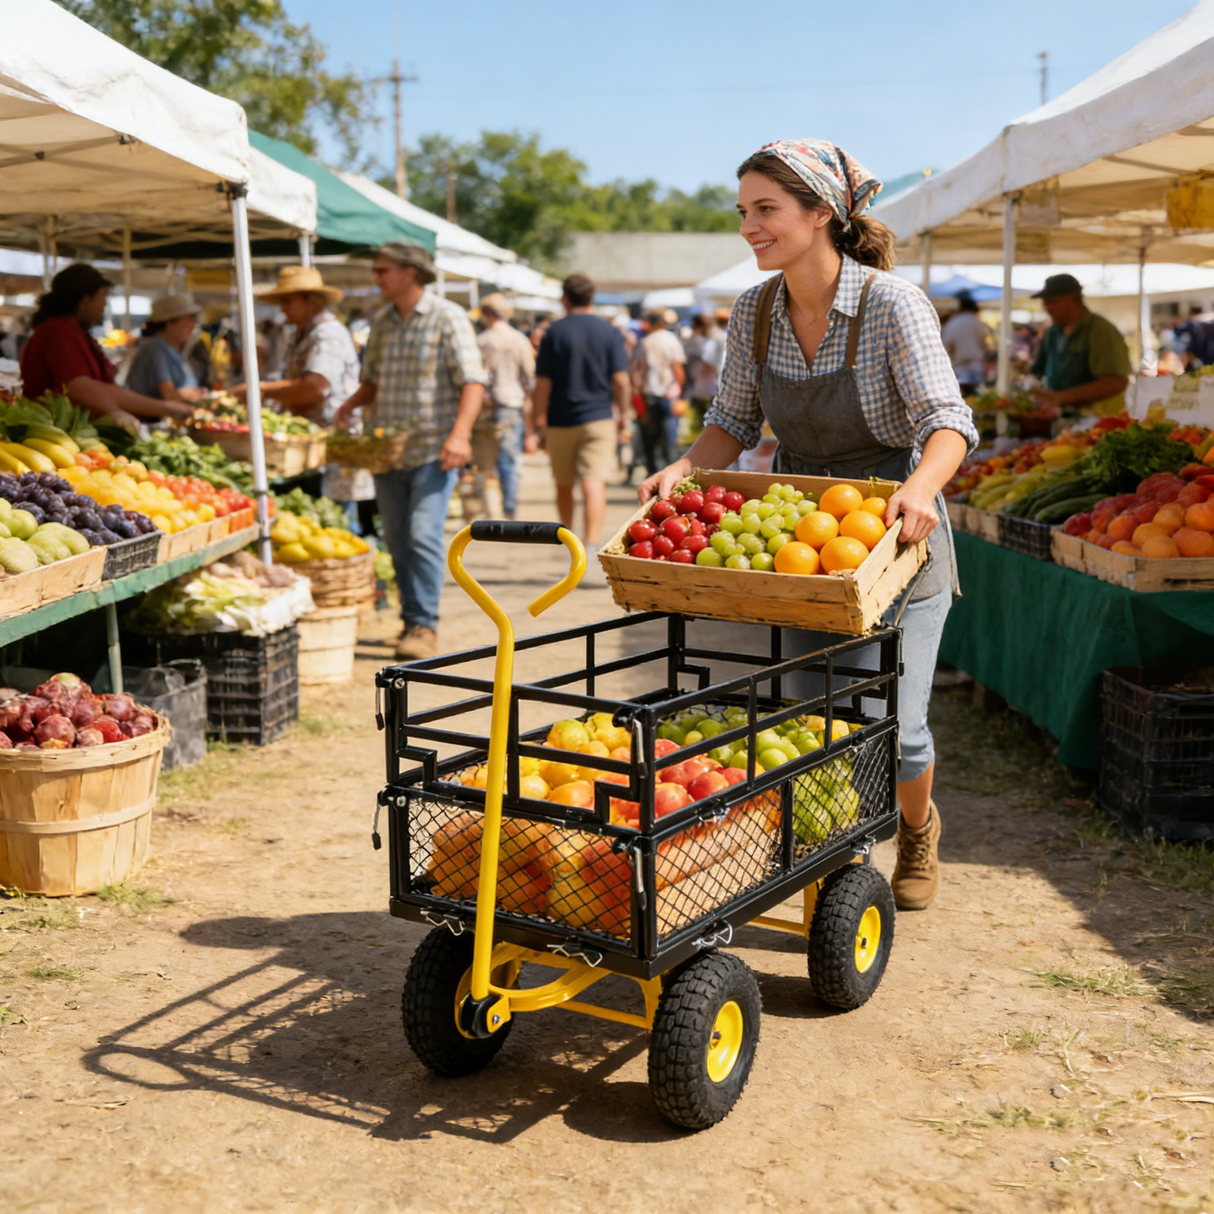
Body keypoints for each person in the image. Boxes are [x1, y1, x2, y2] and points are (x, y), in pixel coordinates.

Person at [640, 139, 978, 912]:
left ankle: (918, 828)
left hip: (897, 532)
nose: (749, 228)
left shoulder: (894, 306)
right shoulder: (755, 311)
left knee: (899, 724)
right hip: (804, 543)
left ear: (822, 212)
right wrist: (682, 470)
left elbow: (948, 420)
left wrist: (923, 487)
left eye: (767, 210)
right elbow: (730, 420)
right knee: (810, 713)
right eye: (743, 213)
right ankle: (837, 861)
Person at [334, 243, 486, 660]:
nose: (376, 277)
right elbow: (373, 382)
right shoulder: (382, 322)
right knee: (398, 540)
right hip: (386, 452)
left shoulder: (447, 316)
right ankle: (410, 620)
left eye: (383, 270)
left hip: (434, 450)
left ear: (410, 273)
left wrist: (460, 435)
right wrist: (349, 405)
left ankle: (423, 625)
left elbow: (472, 381)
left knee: (422, 535)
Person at [20, 263, 192, 427]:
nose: (104, 304)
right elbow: (79, 388)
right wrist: (116, 412)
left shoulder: (72, 332)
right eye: (102, 296)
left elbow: (103, 390)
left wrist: (166, 409)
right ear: (84, 300)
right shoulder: (58, 333)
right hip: (59, 434)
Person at [533, 274, 630, 549]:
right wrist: (624, 417)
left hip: (560, 419)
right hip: (599, 418)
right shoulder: (609, 331)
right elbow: (621, 381)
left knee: (563, 483)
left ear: (564, 298)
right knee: (594, 481)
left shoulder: (554, 332)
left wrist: (537, 419)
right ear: (592, 296)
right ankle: (590, 542)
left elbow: (542, 383)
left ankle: (568, 538)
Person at [1029, 274, 1131, 416]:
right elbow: (1037, 372)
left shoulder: (1100, 330)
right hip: (1059, 419)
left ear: (1072, 298)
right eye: (1045, 302)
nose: (1048, 307)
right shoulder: (1052, 333)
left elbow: (1116, 382)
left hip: (1096, 421)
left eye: (1052, 301)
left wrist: (1062, 397)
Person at [476, 293, 536, 519]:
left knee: (486, 462)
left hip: (484, 409)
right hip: (512, 406)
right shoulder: (519, 340)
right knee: (509, 460)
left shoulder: (482, 341)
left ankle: (491, 510)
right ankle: (510, 507)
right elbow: (530, 377)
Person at [632, 309, 687, 476]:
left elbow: (637, 372)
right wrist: (678, 394)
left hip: (648, 396)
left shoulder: (645, 342)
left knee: (649, 440)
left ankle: (653, 473)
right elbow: (678, 370)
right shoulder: (672, 340)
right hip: (668, 395)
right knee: (669, 440)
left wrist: (636, 395)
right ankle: (670, 475)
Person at [126, 295, 206, 403]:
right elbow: (169, 396)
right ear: (169, 323)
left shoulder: (175, 349)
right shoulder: (154, 348)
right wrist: (190, 393)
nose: (192, 325)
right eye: (188, 320)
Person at [940, 291, 991, 395]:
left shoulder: (954, 322)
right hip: (977, 364)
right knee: (976, 395)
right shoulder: (979, 323)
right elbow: (985, 344)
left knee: (961, 395)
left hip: (960, 365)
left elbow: (948, 345)